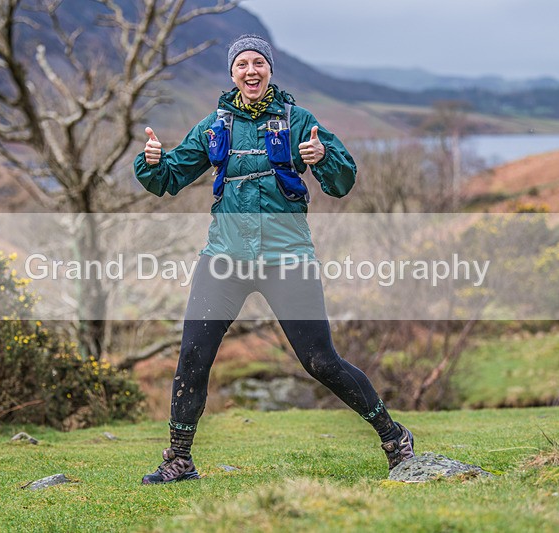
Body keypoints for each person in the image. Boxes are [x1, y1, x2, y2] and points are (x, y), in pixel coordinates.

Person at [134, 34, 414, 484]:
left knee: (321, 362)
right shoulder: (214, 126)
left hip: (287, 256)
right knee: (192, 356)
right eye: (242, 63)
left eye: (258, 63)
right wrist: (150, 161)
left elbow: (342, 181)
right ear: (232, 73)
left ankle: (394, 436)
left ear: (269, 70)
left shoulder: (298, 120)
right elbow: (169, 175)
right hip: (224, 258)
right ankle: (179, 460)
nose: (250, 70)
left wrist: (322, 157)